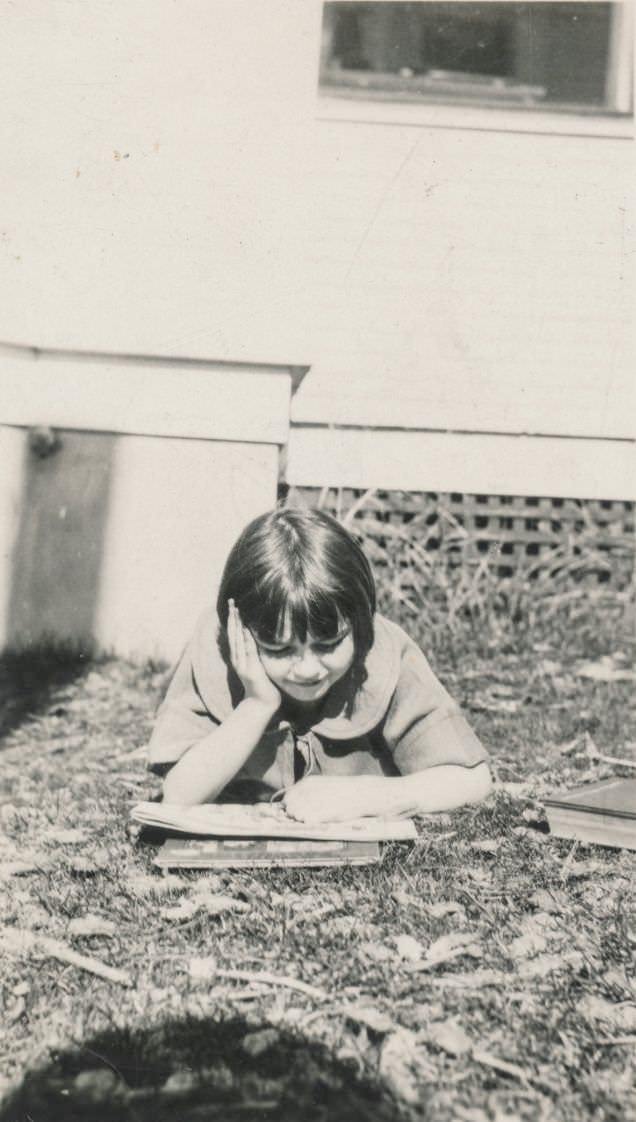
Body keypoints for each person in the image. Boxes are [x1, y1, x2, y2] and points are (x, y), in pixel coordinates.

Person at [148, 507, 492, 822]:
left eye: (329, 644)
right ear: (241, 630)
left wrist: (366, 797)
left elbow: (473, 778)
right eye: (279, 649)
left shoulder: (385, 654)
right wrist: (256, 704)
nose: (308, 669)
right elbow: (178, 797)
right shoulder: (218, 650)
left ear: (360, 624)